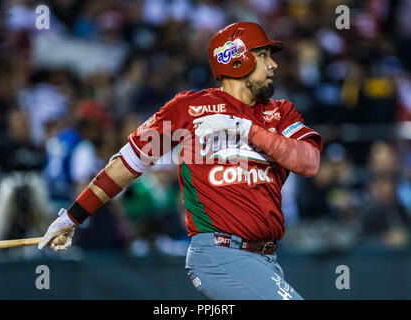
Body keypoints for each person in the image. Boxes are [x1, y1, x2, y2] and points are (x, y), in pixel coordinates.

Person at [38, 22, 323, 300]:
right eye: (263, 56)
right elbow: (127, 164)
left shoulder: (282, 112)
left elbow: (309, 163)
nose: (273, 64)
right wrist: (73, 216)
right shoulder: (188, 110)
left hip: (267, 259)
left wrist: (247, 129)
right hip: (219, 253)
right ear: (237, 61)